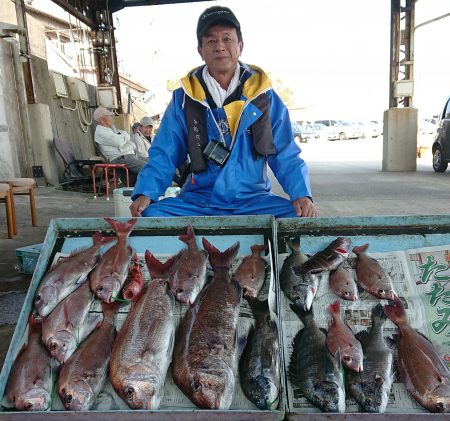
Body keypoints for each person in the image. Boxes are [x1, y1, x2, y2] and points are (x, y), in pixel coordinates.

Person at [130, 5, 317, 218]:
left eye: (227, 39)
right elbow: (164, 153)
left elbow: (286, 153)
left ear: (240, 45)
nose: (220, 46)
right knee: (152, 214)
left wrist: (301, 194)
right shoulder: (183, 99)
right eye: (211, 40)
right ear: (200, 50)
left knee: (299, 216)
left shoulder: (265, 97)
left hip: (254, 200)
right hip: (199, 201)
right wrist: (145, 192)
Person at [93, 107, 147, 183]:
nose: (112, 118)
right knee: (148, 168)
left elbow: (127, 137)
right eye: (109, 116)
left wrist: (124, 138)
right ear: (102, 120)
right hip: (120, 157)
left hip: (128, 155)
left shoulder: (112, 129)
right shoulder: (101, 132)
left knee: (153, 162)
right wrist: (125, 139)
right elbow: (120, 142)